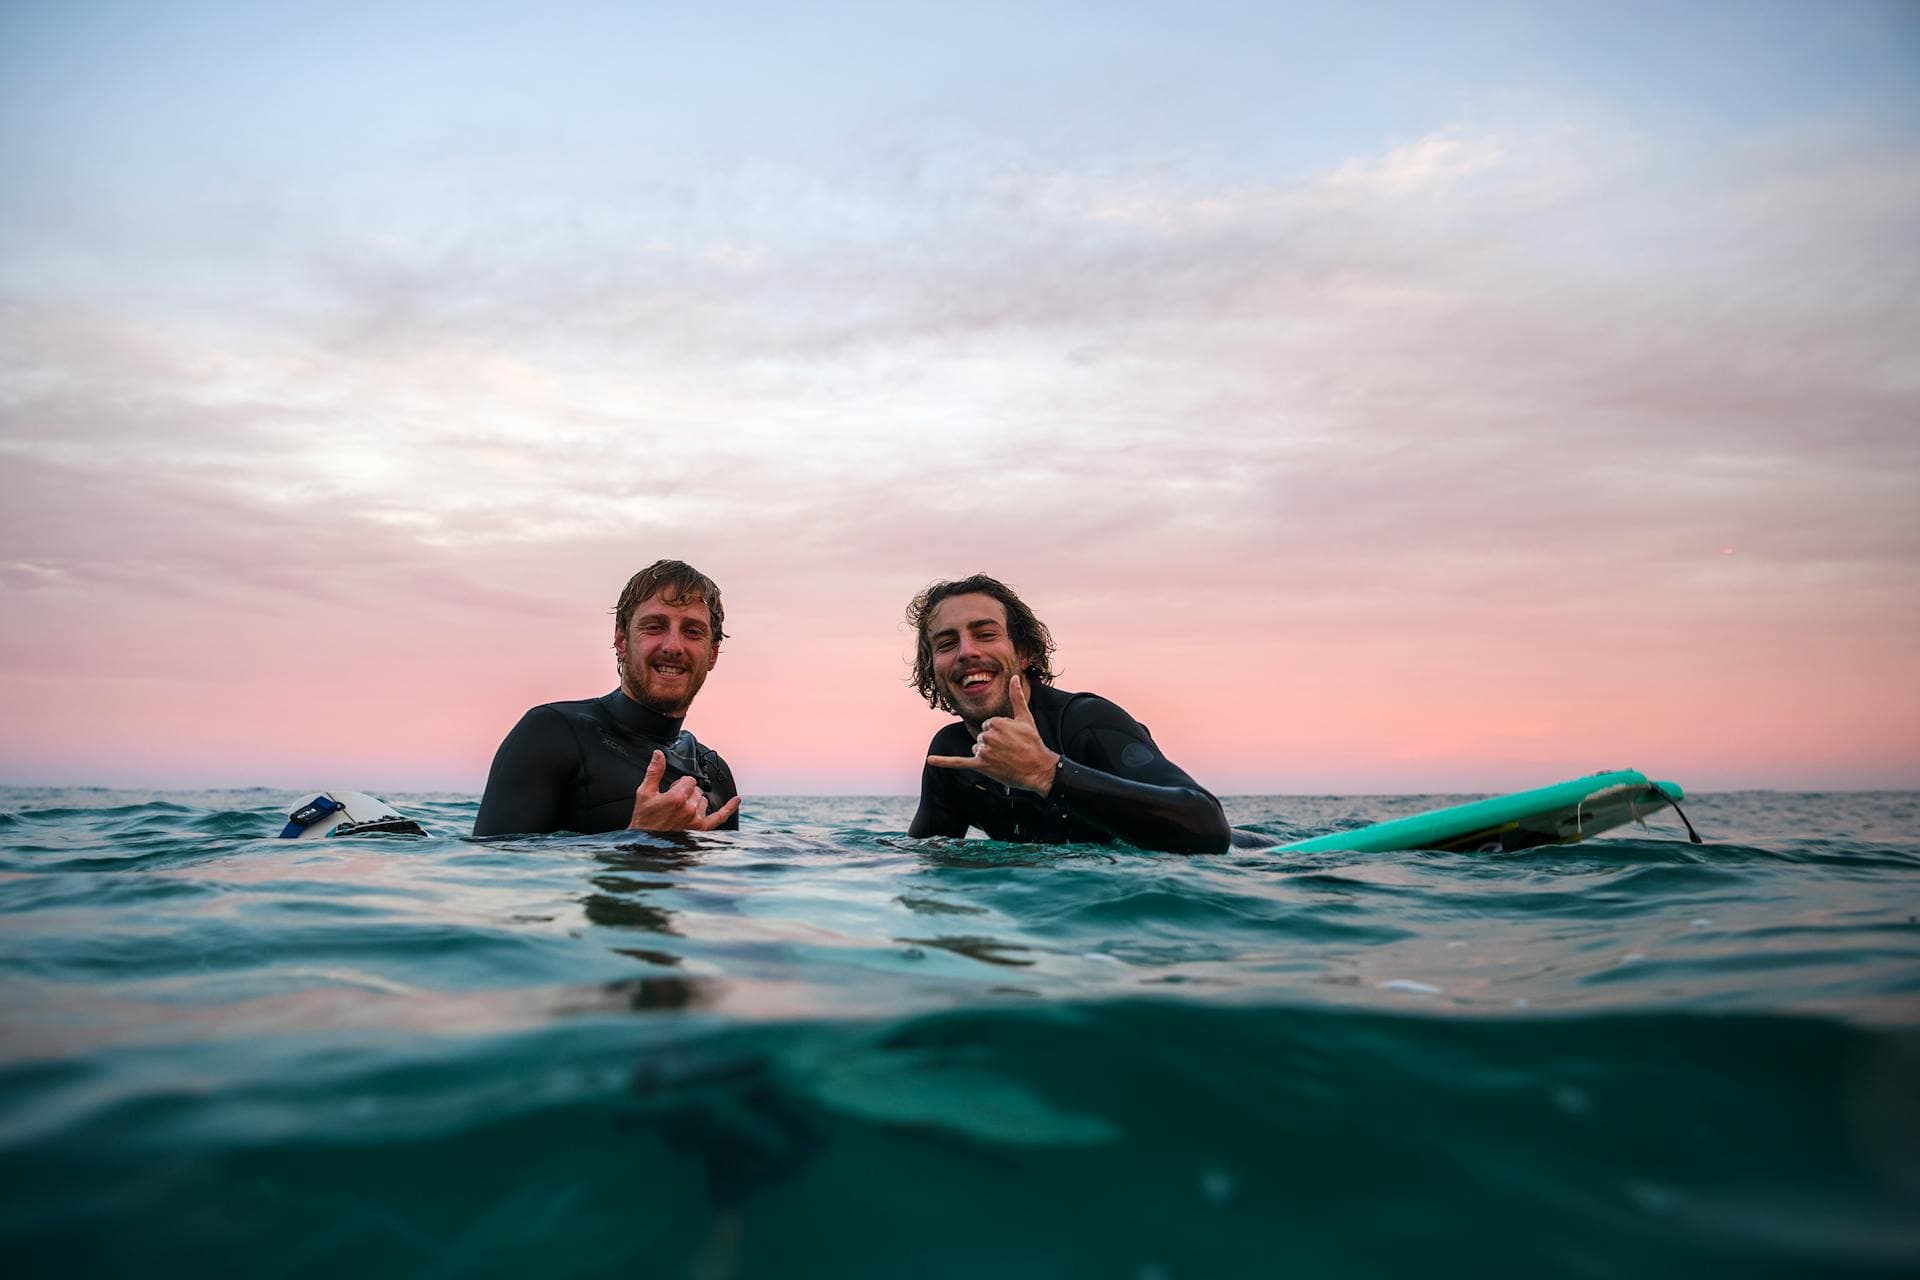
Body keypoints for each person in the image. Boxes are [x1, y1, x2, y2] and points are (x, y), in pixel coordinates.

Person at [904, 574, 1238, 855]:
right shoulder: (951, 754)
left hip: (1247, 861)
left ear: (1025, 652)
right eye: (946, 644)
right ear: (934, 670)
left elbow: (1209, 828)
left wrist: (1046, 773)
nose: (966, 652)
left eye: (985, 634)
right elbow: (922, 854)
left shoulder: (1085, 722)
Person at [473, 560, 742, 837]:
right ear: (622, 641)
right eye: (654, 627)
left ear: (712, 654)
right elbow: (493, 861)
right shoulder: (551, 733)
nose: (673, 646)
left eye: (693, 632)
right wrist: (643, 835)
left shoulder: (715, 775)